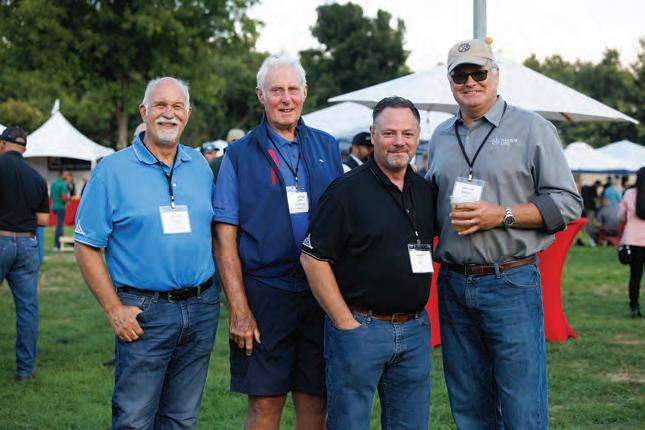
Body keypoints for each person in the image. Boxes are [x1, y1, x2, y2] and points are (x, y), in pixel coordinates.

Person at [426, 39, 583, 429]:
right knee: (468, 404)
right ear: (450, 82)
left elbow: (567, 204)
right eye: (460, 75)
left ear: (495, 75)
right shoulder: (440, 136)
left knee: (521, 403)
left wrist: (502, 215)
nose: (470, 82)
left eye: (479, 72)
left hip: (510, 281)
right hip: (453, 284)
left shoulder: (532, 128)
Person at [74, 77, 220, 429]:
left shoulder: (199, 166)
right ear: (144, 111)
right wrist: (114, 310)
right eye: (160, 105)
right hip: (143, 312)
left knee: (182, 417)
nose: (169, 114)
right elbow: (86, 245)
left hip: (201, 308)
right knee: (134, 419)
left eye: (177, 106)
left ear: (187, 114)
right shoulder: (112, 171)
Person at [214, 54, 343, 430]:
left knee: (315, 401)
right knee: (265, 404)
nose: (285, 99)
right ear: (260, 95)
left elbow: (344, 222)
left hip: (319, 292)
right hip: (265, 294)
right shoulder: (239, 154)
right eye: (276, 90)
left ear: (305, 93)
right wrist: (238, 308)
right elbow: (224, 237)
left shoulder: (327, 147)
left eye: (292, 89)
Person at [300, 96, 434, 429]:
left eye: (407, 133)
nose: (399, 141)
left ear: (418, 136)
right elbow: (313, 258)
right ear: (373, 135)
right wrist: (345, 323)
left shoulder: (424, 190)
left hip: (414, 331)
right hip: (361, 328)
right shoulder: (345, 191)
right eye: (389, 133)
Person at [0, 126, 50, 381]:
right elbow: (43, 220)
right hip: (28, 244)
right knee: (27, 309)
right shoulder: (37, 177)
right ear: (25, 149)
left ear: (1, 145)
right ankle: (25, 371)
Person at [619, 167, 645, 318]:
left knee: (635, 276)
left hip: (633, 241)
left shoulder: (629, 193)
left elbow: (621, 216)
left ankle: (634, 307)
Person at [50, 170, 71, 251]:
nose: (67, 175)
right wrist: (68, 199)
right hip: (61, 207)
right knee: (60, 227)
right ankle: (57, 245)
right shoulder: (63, 184)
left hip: (54, 206)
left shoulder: (53, 183)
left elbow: (51, 195)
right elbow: (63, 198)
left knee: (58, 226)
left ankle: (56, 245)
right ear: (62, 175)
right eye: (66, 174)